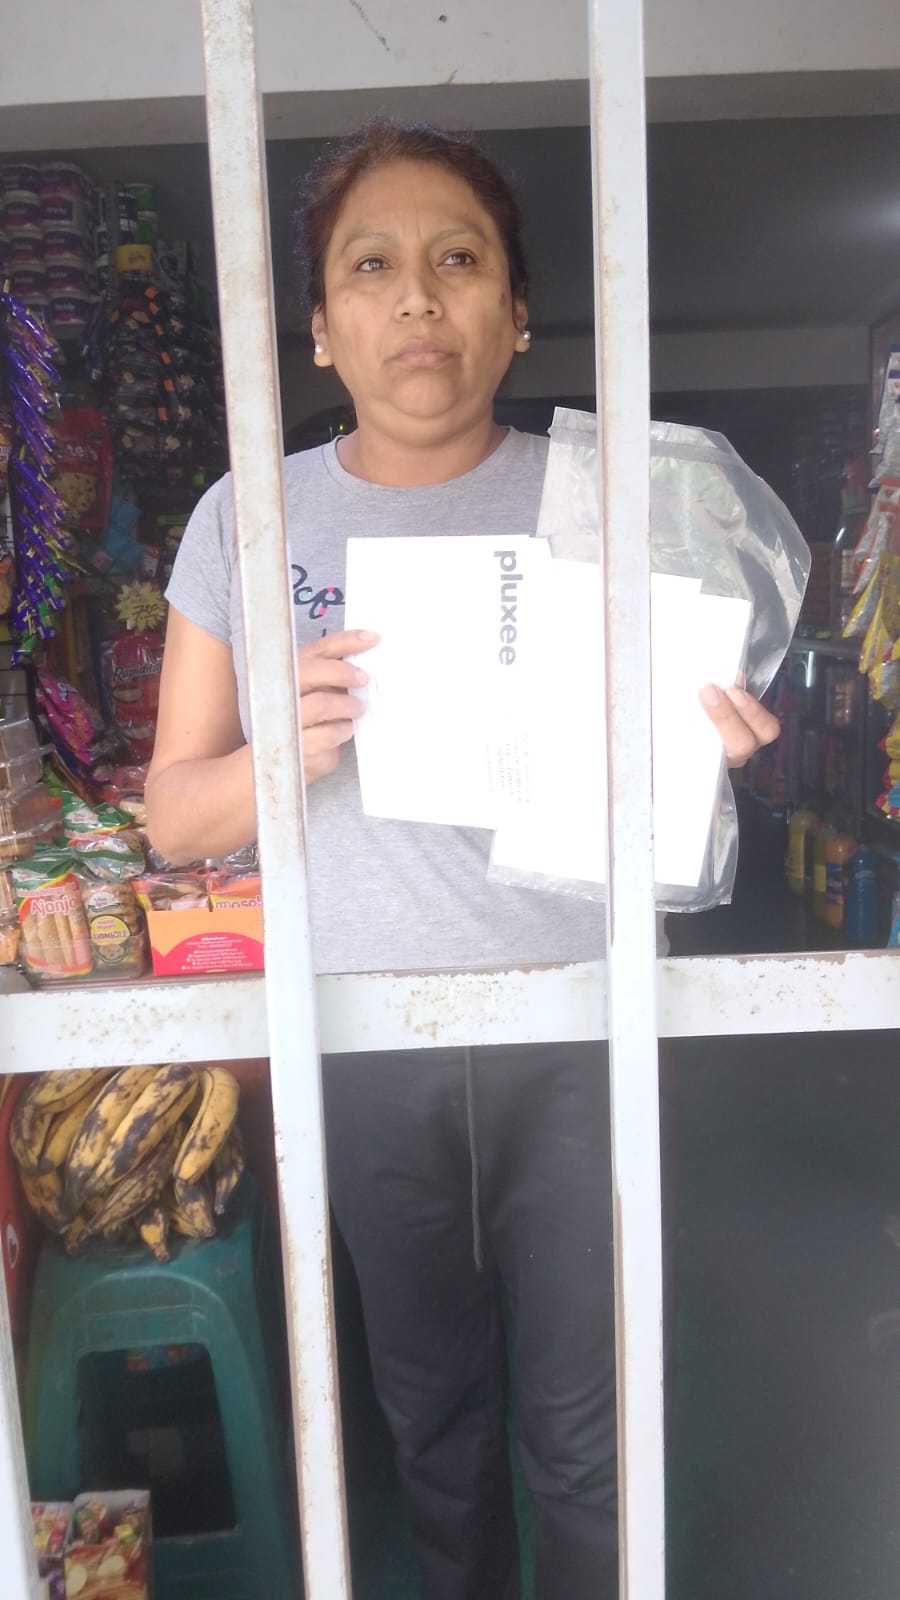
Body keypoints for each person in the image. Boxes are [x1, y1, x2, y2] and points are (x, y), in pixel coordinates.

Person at [146, 119, 779, 1599]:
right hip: (367, 1041)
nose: (418, 298)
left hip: (583, 1027)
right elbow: (173, 813)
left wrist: (709, 746)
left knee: (585, 1431)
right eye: (370, 267)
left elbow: (680, 731)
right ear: (319, 326)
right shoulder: (248, 516)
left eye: (458, 260)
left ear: (517, 313)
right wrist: (278, 758)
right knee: (430, 1423)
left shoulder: (614, 500)